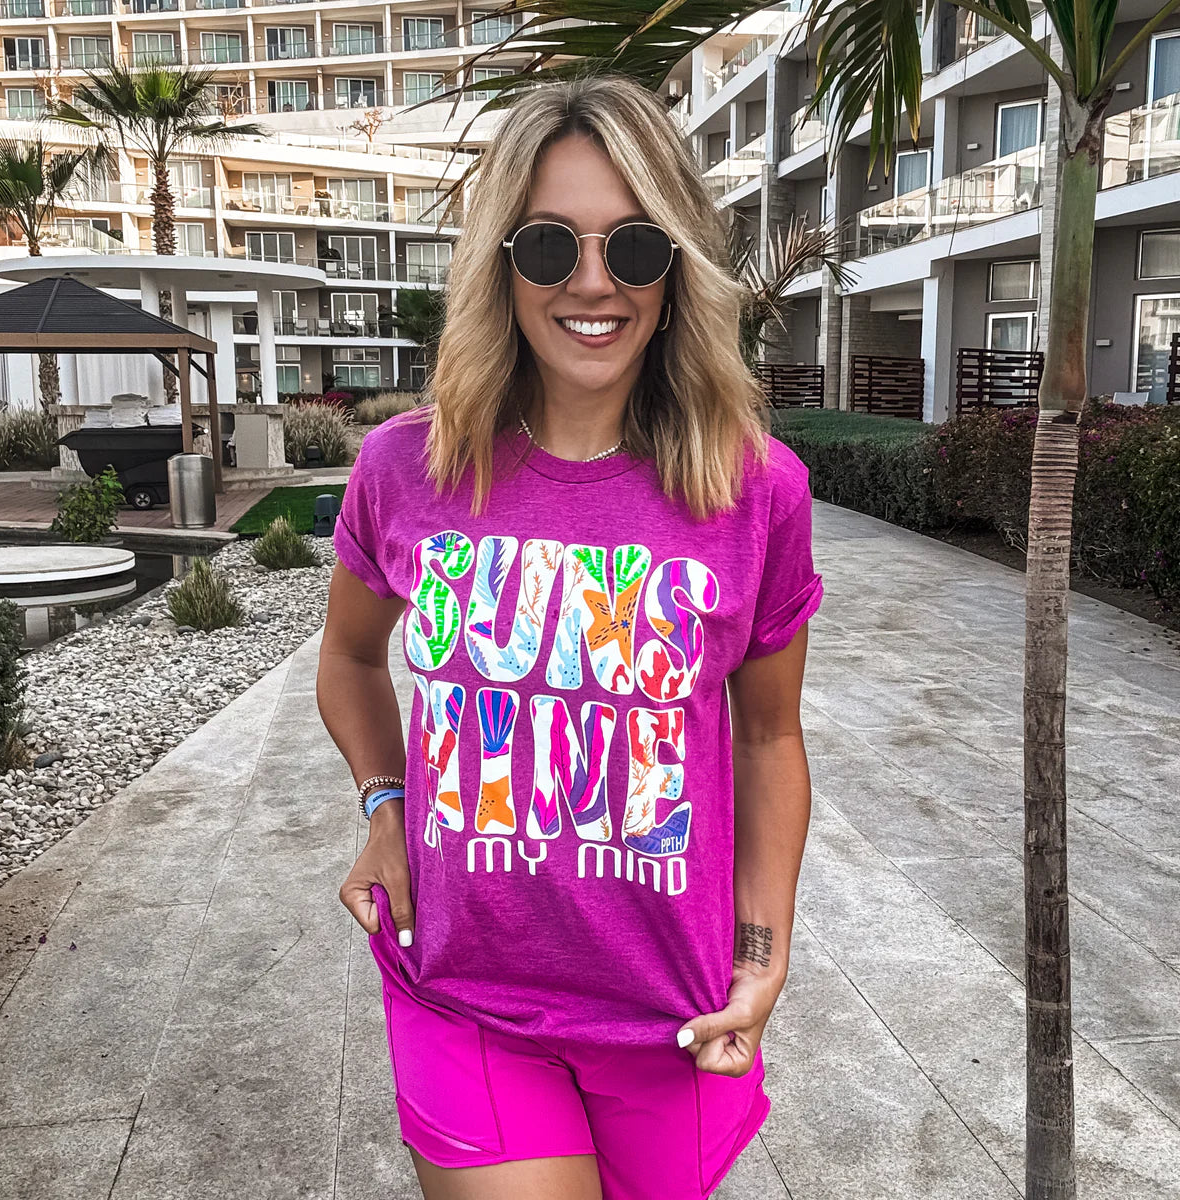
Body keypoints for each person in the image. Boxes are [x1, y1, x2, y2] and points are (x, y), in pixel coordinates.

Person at [317, 72, 824, 1200]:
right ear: (501, 266)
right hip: (466, 994)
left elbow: (767, 739)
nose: (593, 283)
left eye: (633, 248)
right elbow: (349, 660)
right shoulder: (408, 468)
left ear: (676, 269)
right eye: (550, 247)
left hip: (672, 1012)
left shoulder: (755, 490)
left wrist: (764, 954)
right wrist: (386, 806)